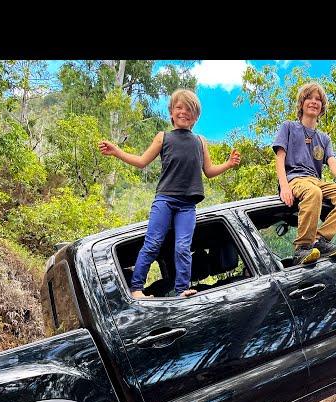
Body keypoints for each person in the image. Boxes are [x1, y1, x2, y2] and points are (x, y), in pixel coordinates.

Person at [99, 89, 241, 298]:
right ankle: (136, 289)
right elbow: (141, 161)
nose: (184, 112)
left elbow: (209, 172)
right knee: (153, 242)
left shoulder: (200, 141)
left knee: (183, 247)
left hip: (188, 205)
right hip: (165, 199)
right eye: (179, 108)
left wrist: (228, 164)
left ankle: (183, 289)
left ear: (196, 117)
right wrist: (117, 151)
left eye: (189, 110)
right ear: (172, 113)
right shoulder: (163, 137)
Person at [273, 81, 336, 265]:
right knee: (314, 193)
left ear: (322, 107)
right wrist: (284, 187)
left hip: (316, 180)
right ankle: (302, 248)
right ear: (301, 103)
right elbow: (280, 158)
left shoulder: (324, 138)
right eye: (309, 98)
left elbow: (332, 162)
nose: (314, 101)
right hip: (295, 179)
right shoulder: (288, 127)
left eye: (318, 99)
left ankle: (320, 241)